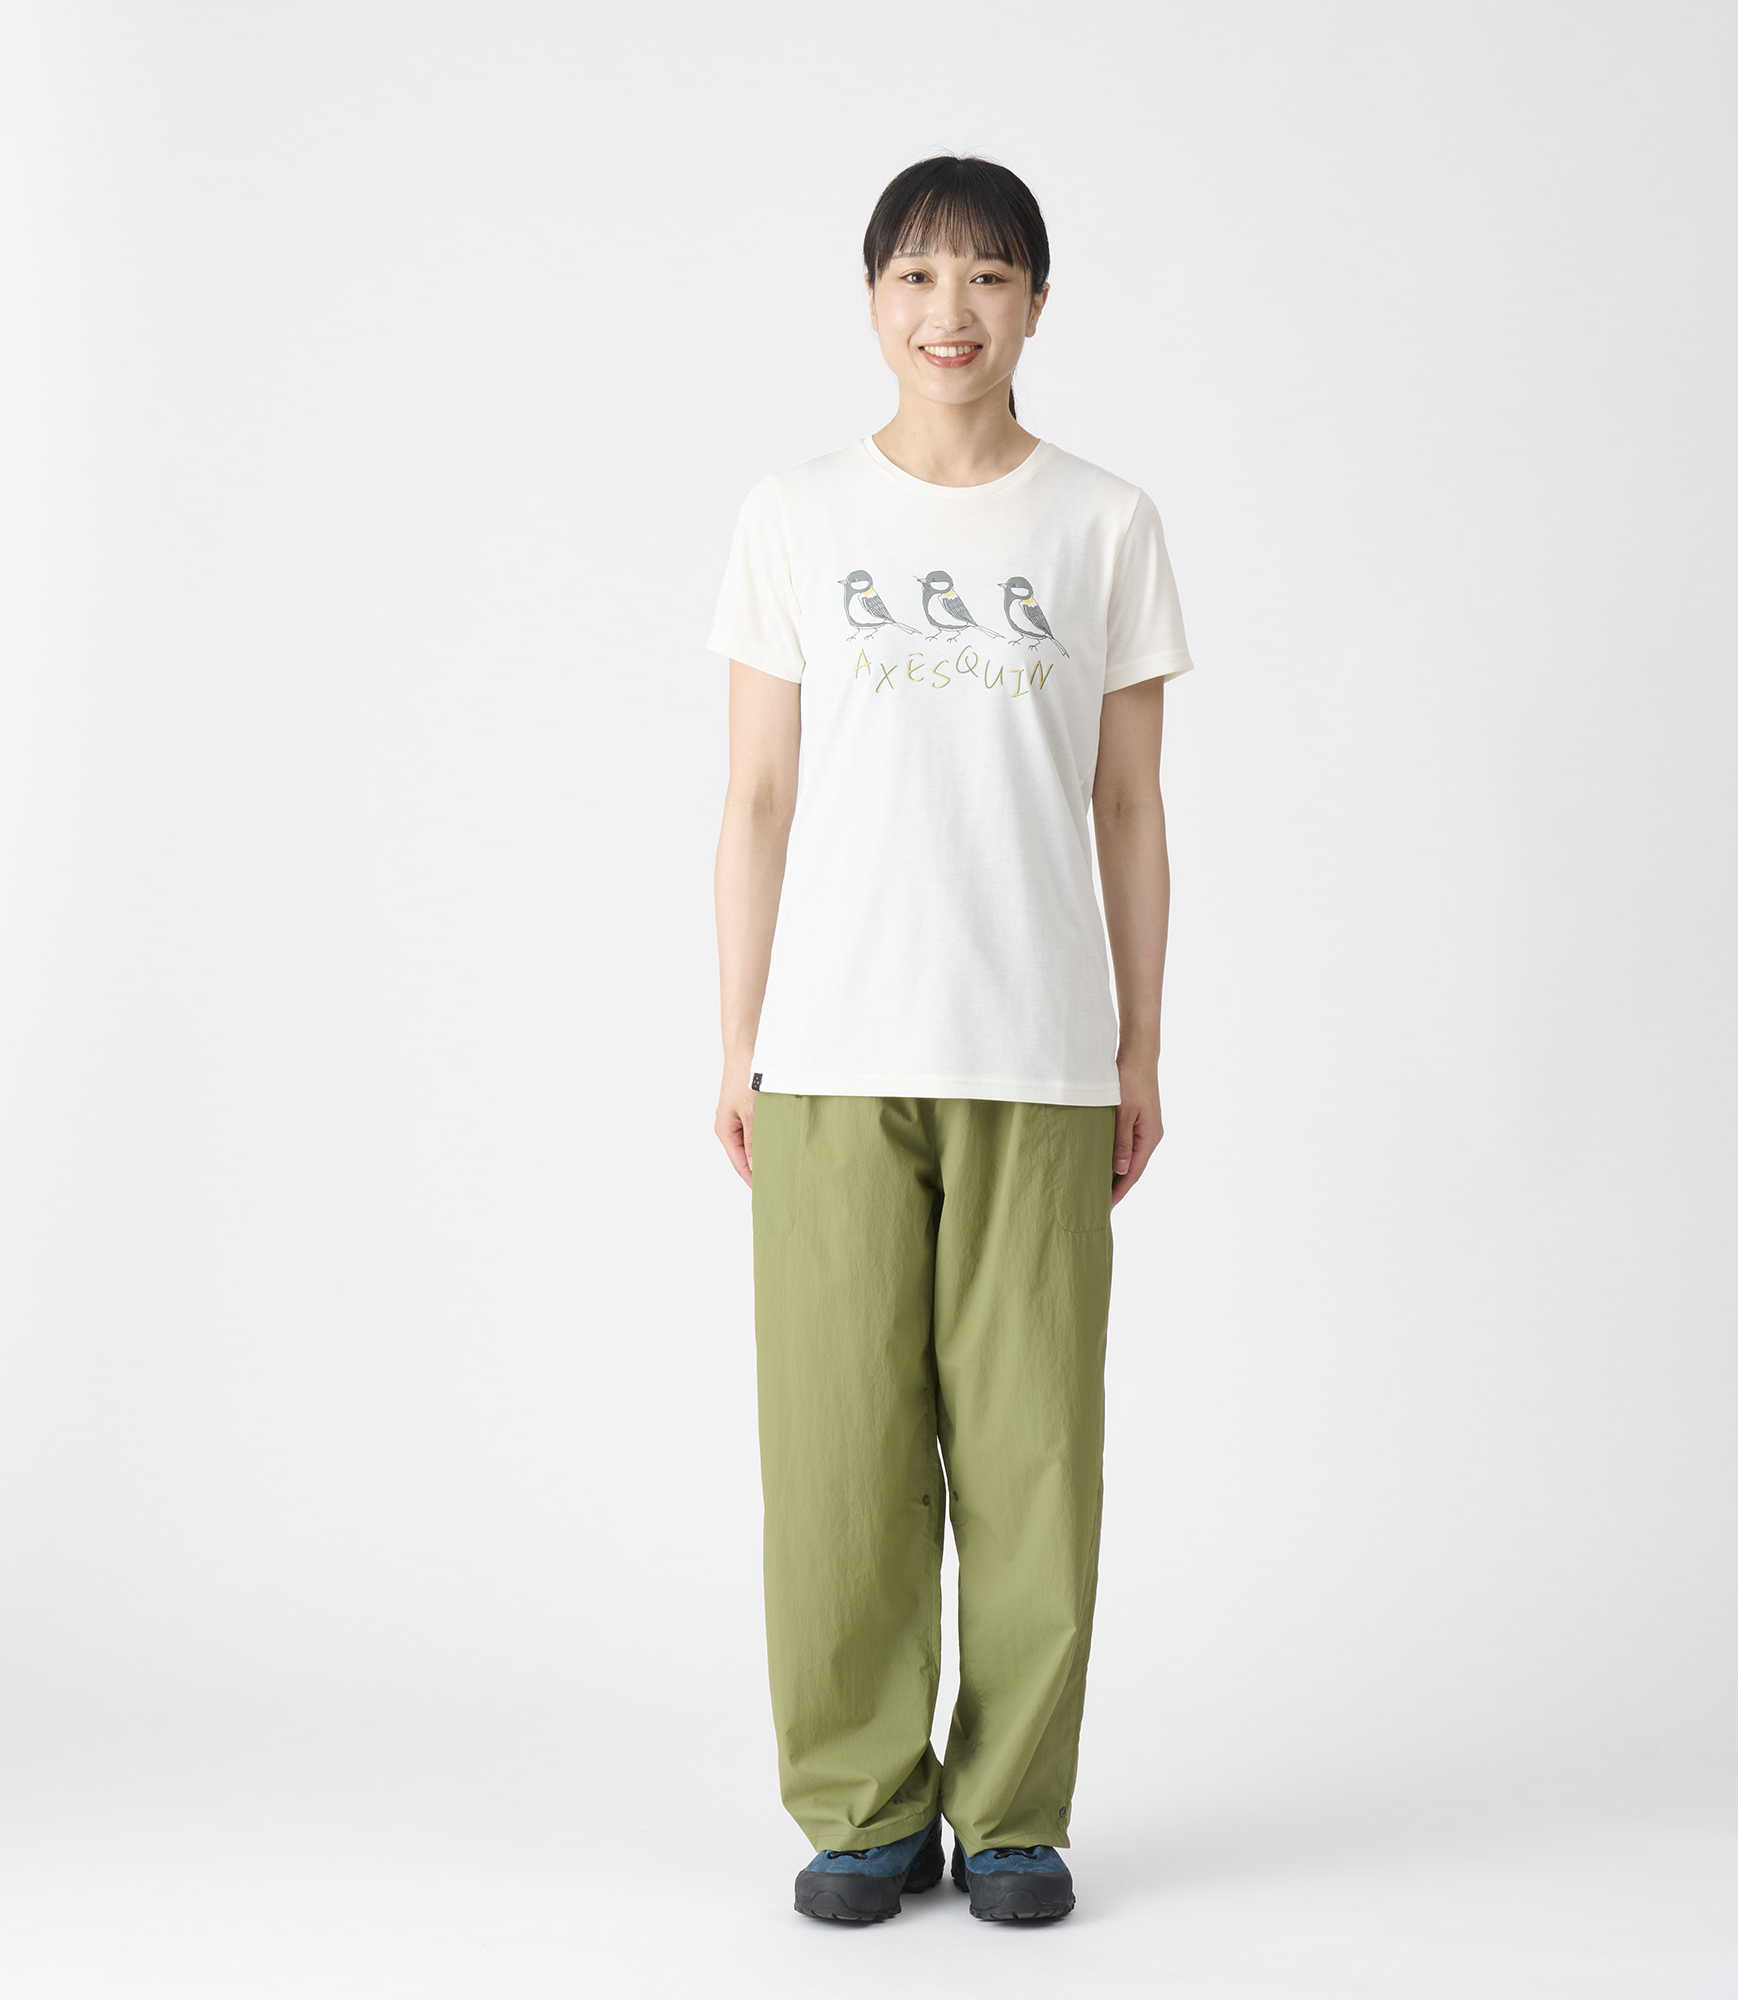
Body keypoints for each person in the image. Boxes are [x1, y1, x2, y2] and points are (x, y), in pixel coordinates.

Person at [707, 155, 1192, 1925]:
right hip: (833, 1049)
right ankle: (860, 1810)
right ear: (870, 301)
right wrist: (738, 1041)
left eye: (989, 277)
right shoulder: (796, 516)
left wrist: (1140, 1051)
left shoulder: (1103, 524)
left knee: (1034, 1451)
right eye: (917, 276)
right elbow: (758, 798)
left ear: (1039, 304)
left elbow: (1128, 806)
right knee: (837, 1451)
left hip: (1037, 1047)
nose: (951, 312)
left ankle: (1012, 1817)